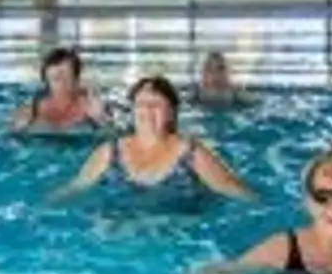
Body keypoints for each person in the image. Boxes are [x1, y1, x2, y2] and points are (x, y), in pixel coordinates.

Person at [55, 76, 254, 204]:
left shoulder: (190, 153)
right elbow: (75, 188)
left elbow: (234, 190)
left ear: (170, 113)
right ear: (132, 110)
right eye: (141, 103)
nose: (147, 110)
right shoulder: (109, 153)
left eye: (156, 104)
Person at [10, 47, 109, 135]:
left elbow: (109, 131)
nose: (61, 86)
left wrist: (100, 120)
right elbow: (14, 130)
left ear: (76, 80)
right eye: (55, 79)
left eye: (65, 78)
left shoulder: (89, 105)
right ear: (46, 80)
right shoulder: (35, 107)